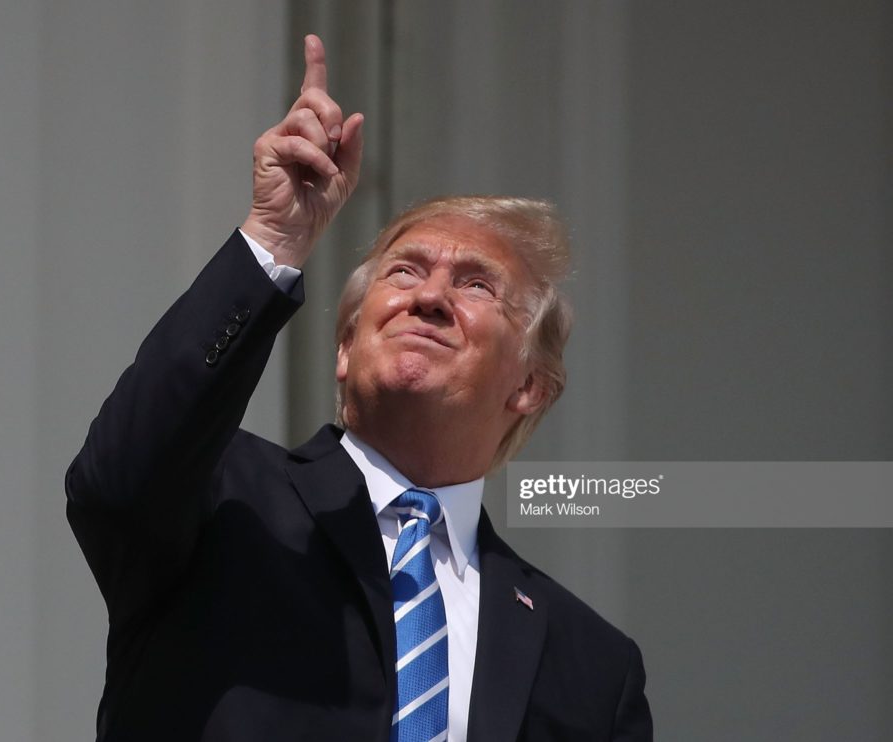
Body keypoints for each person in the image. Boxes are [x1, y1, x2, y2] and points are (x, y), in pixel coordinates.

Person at [66, 34, 652, 742]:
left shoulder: (591, 665)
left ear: (530, 386)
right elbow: (114, 480)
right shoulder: (223, 500)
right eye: (404, 272)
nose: (430, 296)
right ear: (344, 348)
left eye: (475, 285)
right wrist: (275, 238)